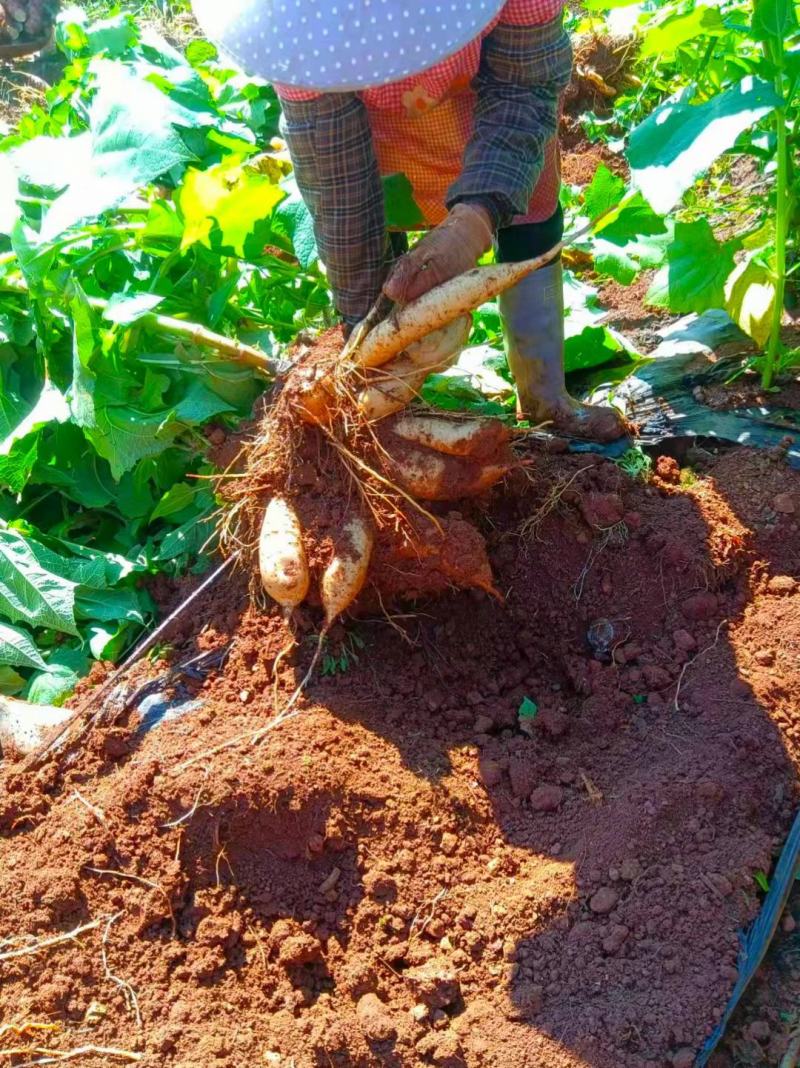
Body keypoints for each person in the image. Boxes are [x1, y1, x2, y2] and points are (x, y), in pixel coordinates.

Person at [192, 0, 626, 442]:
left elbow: (524, 86)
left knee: (528, 213)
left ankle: (545, 399)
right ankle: (388, 417)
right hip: (379, 132)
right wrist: (364, 332)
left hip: (494, 108)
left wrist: (473, 222)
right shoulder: (293, 27)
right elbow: (339, 182)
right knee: (372, 256)